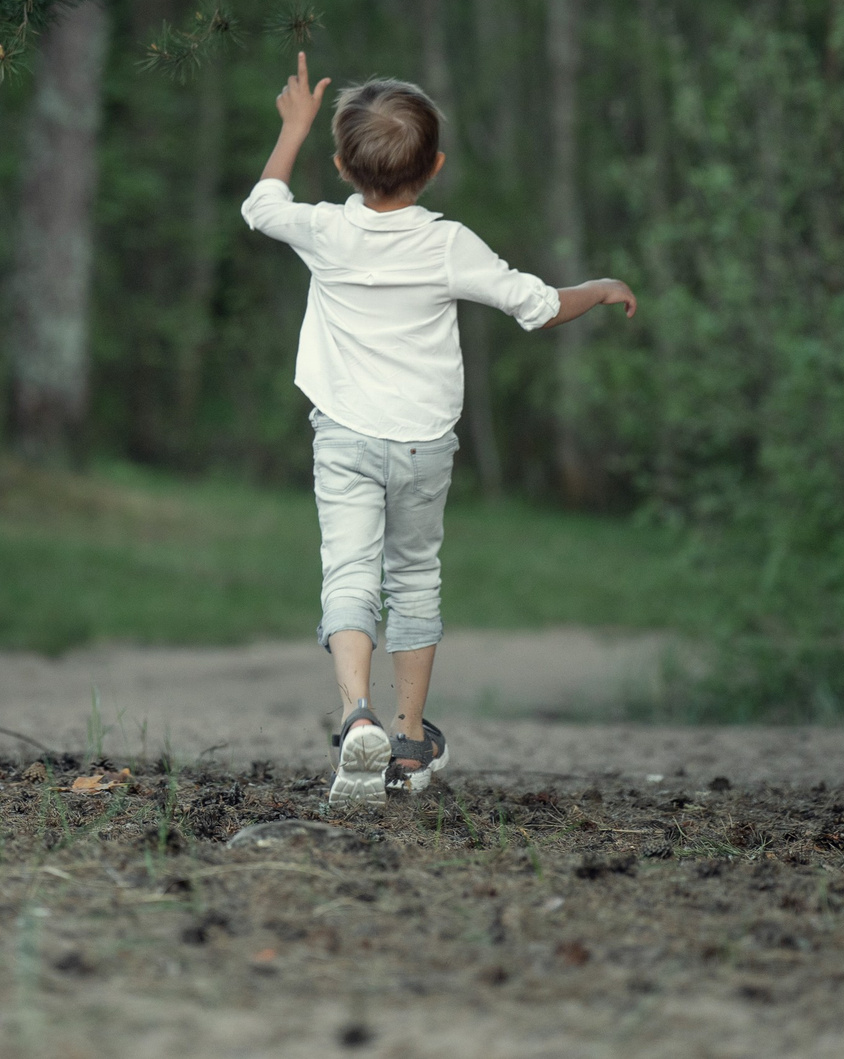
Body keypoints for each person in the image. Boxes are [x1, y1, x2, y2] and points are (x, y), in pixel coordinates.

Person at [242, 53, 636, 803]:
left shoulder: (325, 230)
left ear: (341, 164)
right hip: (423, 444)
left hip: (345, 437)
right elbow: (540, 305)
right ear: (436, 167)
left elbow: (261, 206)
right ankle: (410, 744)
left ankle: (355, 713)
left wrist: (290, 128)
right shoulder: (448, 242)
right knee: (413, 576)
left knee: (349, 573)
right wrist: (599, 287)